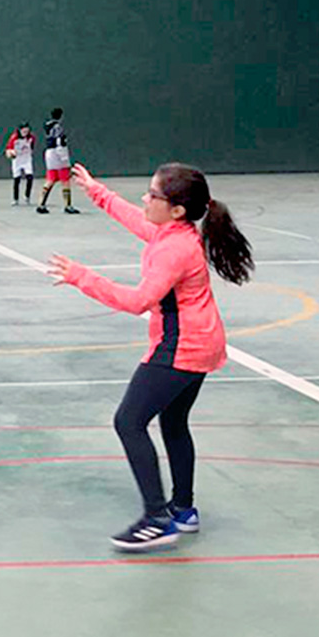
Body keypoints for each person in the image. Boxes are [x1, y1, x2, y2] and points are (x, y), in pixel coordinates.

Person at [46, 161, 253, 551]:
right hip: (204, 341)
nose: (145, 198)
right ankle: (183, 509)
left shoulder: (174, 249)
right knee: (174, 422)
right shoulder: (173, 232)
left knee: (128, 421)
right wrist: (96, 190)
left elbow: (138, 300)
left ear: (175, 209)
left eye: (153, 194)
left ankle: (158, 518)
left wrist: (81, 277)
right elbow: (134, 219)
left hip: (182, 347)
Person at [36, 108, 79, 214]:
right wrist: (64, 158)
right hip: (58, 154)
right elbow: (59, 142)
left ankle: (41, 204)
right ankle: (68, 206)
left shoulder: (48, 126)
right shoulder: (58, 127)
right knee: (65, 180)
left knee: (50, 179)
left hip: (49, 154)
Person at [5, 122, 36, 206]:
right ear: (20, 130)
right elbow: (8, 149)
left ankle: (27, 197)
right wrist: (11, 153)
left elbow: (32, 147)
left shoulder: (31, 138)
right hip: (17, 160)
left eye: (27, 129)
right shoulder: (14, 138)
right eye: (23, 130)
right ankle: (15, 199)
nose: (25, 131)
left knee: (30, 178)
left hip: (27, 159)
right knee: (17, 180)